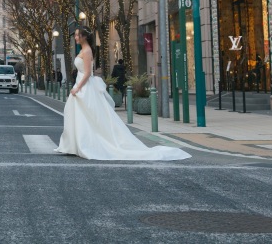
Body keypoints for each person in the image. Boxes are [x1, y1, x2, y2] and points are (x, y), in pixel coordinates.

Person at [55, 26, 191, 161]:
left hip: (85, 87)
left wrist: (78, 87)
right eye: (75, 35)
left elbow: (87, 73)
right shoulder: (83, 50)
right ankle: (76, 144)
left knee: (89, 116)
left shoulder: (87, 51)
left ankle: (85, 144)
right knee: (80, 115)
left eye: (77, 35)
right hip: (82, 86)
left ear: (84, 36)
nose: (75, 37)